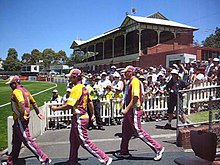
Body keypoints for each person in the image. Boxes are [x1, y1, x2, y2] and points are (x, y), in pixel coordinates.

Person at [51, 69, 112, 165]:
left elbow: (70, 105)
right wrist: (92, 115)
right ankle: (72, 160)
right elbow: (90, 102)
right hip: (82, 116)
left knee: (84, 141)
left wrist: (55, 109)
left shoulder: (76, 88)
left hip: (80, 117)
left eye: (70, 77)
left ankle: (104, 158)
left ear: (75, 77)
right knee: (74, 140)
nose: (69, 79)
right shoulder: (84, 88)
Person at [114, 66, 165, 161]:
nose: (124, 74)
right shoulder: (129, 82)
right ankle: (123, 151)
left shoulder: (135, 82)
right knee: (125, 132)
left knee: (139, 132)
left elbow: (135, 98)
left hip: (134, 110)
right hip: (130, 111)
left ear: (131, 72)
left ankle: (158, 148)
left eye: (126, 72)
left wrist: (126, 109)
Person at [6, 76, 51, 165]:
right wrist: (38, 113)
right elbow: (33, 102)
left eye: (11, 84)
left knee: (27, 140)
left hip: (20, 119)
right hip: (19, 120)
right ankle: (11, 162)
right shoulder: (25, 91)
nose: (10, 86)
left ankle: (44, 158)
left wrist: (22, 115)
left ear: (15, 83)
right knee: (16, 142)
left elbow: (21, 102)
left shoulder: (17, 91)